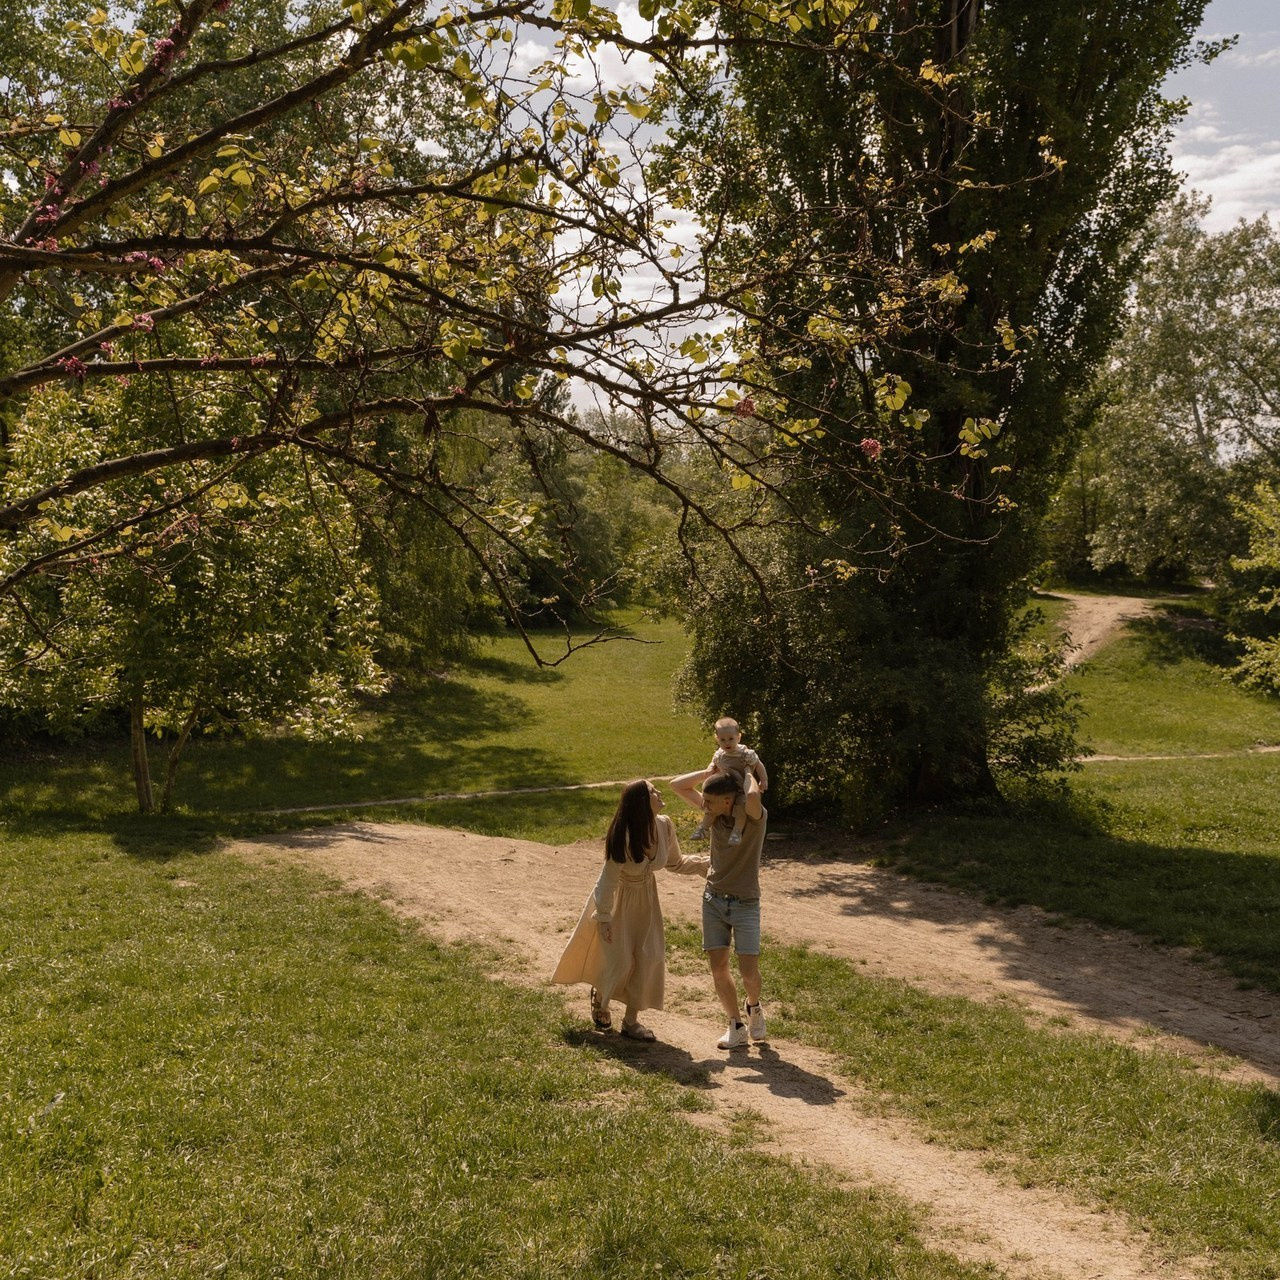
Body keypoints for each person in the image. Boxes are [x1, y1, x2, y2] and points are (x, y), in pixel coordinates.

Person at [552, 779, 708, 1041]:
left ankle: (631, 1022)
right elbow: (608, 879)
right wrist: (603, 918)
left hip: (647, 901)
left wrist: (707, 864)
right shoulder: (624, 836)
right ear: (641, 803)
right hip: (618, 902)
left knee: (649, 958)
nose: (659, 793)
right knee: (620, 960)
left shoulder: (664, 825)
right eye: (652, 791)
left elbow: (675, 863)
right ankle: (601, 997)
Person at [669, 764, 768, 1050]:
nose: (704, 806)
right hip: (713, 899)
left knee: (749, 972)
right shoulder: (714, 816)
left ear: (728, 801)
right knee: (718, 968)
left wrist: (748, 768)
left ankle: (753, 1006)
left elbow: (751, 797)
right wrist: (710, 770)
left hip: (746, 903)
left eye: (709, 802)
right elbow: (678, 785)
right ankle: (736, 1025)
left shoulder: (753, 818)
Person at [690, 717, 768, 847]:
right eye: (722, 739)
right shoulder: (719, 754)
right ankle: (703, 828)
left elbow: (759, 766)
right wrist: (710, 769)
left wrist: (764, 781)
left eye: (731, 739)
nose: (727, 743)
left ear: (738, 737)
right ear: (717, 738)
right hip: (725, 788)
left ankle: (737, 831)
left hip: (741, 788)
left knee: (741, 807)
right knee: (711, 806)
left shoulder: (745, 753)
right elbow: (713, 763)